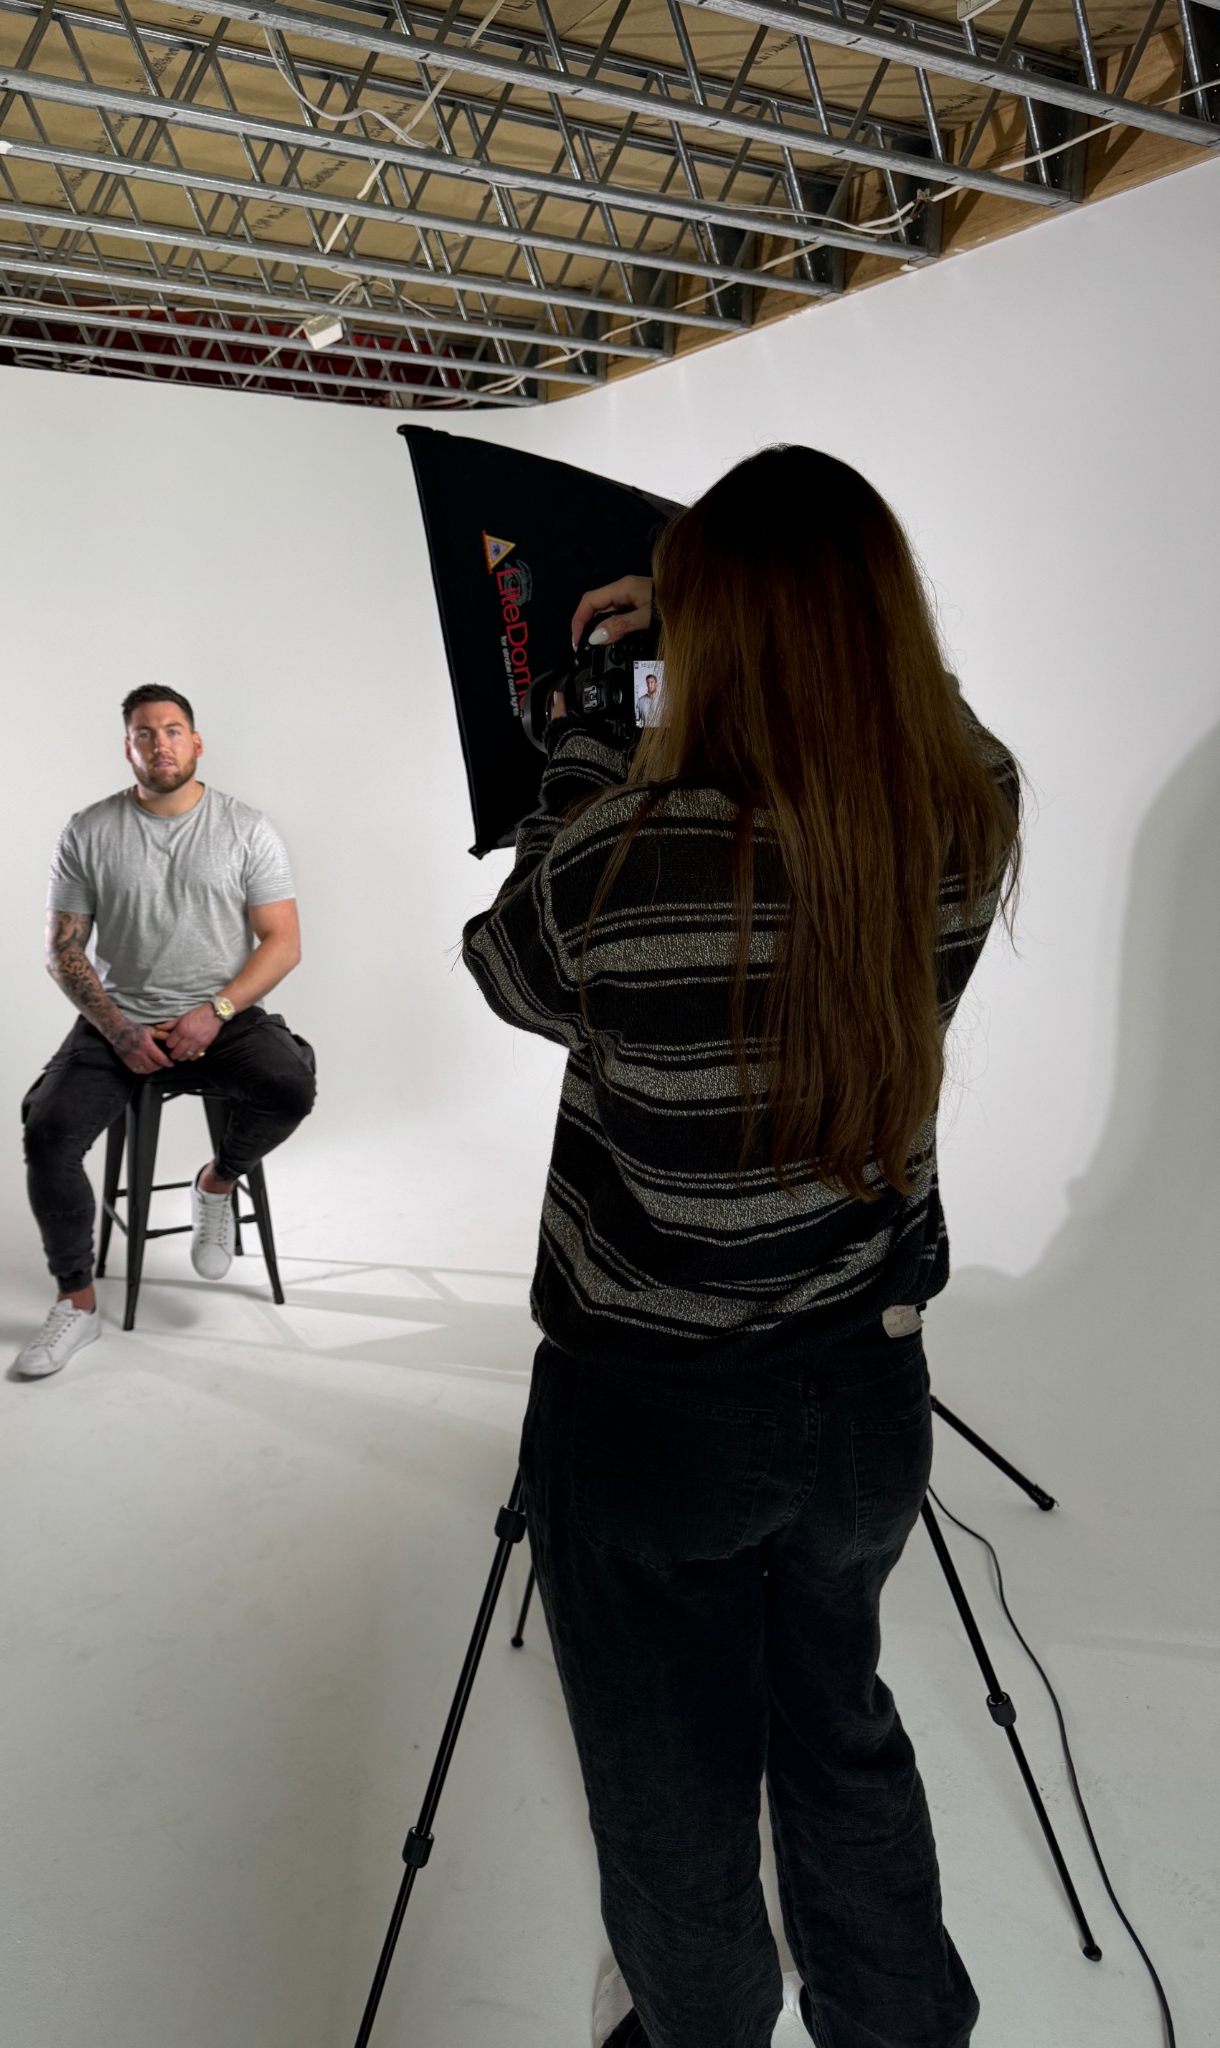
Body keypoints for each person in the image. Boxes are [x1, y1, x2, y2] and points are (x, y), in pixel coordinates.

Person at [462, 446, 1021, 2048]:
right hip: (862, 1402)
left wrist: (595, 704)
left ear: (712, 639)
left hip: (649, 1421)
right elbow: (941, 727)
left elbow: (509, 963)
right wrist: (813, 629)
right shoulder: (960, 823)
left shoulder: (629, 861)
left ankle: (701, 2027)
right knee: (835, 1730)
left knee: (669, 1793)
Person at [14, 686, 316, 1379]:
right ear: (128, 747)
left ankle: (217, 1183)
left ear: (197, 741)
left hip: (220, 1015)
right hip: (119, 1022)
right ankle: (78, 1304)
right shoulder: (87, 830)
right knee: (46, 1132)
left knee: (291, 1086)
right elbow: (64, 950)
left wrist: (217, 1010)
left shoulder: (246, 828)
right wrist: (118, 1030)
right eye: (144, 734)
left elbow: (282, 942)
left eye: (173, 730)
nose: (160, 745)